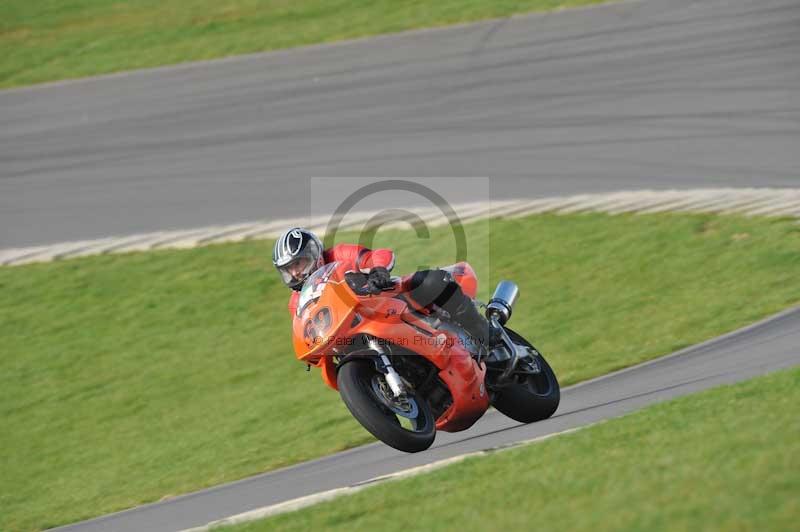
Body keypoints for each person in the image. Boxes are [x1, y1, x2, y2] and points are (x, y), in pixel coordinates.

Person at [272, 227, 498, 348]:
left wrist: (378, 270)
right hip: (352, 335)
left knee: (431, 281)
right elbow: (306, 333)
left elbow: (376, 255)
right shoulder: (296, 303)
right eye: (288, 269)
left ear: (313, 253)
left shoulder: (338, 254)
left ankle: (484, 332)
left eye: (298, 264)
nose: (295, 273)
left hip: (387, 301)